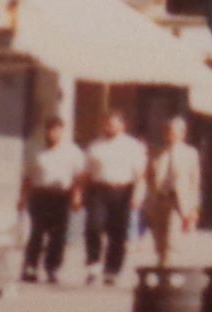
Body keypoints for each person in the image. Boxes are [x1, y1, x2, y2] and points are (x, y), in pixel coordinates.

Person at [81, 112, 148, 285]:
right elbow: (86, 173)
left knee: (118, 232)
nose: (109, 127)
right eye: (107, 124)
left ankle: (112, 270)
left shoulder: (132, 146)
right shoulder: (95, 145)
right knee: (94, 226)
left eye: (113, 124)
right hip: (99, 190)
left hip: (123, 191)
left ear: (122, 126)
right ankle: (93, 263)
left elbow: (140, 175)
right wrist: (80, 193)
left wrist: (138, 195)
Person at [20, 116, 86, 283]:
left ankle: (52, 268)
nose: (53, 133)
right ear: (46, 131)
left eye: (57, 130)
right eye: (50, 129)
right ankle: (31, 267)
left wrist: (77, 196)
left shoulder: (72, 151)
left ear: (62, 131)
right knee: (37, 232)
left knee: (58, 235)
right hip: (40, 194)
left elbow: (79, 177)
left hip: (61, 195)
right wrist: (22, 197)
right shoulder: (35, 149)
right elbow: (27, 176)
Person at [143, 115, 203, 267]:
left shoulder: (190, 153)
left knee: (172, 238)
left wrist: (194, 209)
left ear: (183, 133)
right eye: (168, 131)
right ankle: (163, 265)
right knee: (159, 239)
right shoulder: (157, 152)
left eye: (174, 131)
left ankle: (168, 268)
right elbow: (149, 178)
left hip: (178, 201)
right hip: (159, 199)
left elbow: (194, 182)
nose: (171, 134)